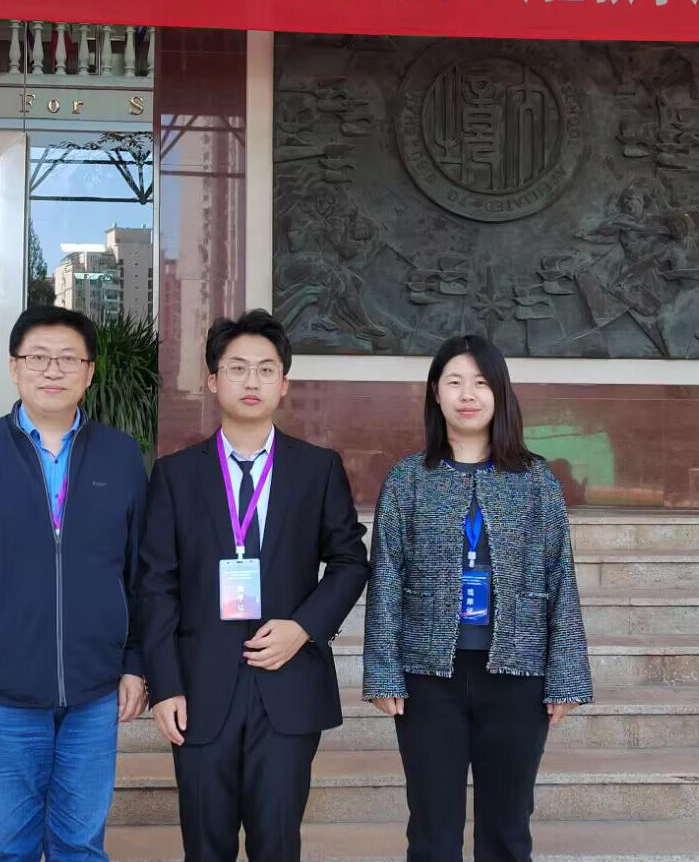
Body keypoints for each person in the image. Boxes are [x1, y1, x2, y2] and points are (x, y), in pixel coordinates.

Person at [0, 305, 149, 862]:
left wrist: (136, 662)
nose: (52, 370)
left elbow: (140, 572)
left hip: (96, 687)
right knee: (7, 847)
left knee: (80, 845)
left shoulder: (121, 456)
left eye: (68, 359)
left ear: (89, 372)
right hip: (7, 686)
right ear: (14, 367)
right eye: (38, 357)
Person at [139, 309, 370, 862]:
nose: (252, 380)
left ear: (283, 384)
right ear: (213, 380)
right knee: (205, 847)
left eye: (266, 369)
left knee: (277, 844)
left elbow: (349, 561)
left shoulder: (317, 468)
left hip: (288, 685)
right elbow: (156, 585)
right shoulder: (176, 474)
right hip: (200, 687)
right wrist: (164, 685)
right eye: (237, 368)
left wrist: (304, 627)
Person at [362, 334, 594, 862]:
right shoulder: (407, 479)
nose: (468, 395)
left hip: (517, 678)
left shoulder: (536, 481)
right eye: (455, 382)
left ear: (500, 393)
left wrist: (565, 675)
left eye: (481, 382)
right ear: (436, 393)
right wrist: (382, 671)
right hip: (427, 681)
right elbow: (387, 578)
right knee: (432, 835)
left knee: (507, 833)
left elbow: (560, 577)